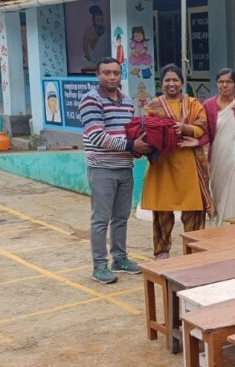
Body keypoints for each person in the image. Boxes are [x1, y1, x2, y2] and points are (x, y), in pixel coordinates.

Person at [80, 57, 150, 283]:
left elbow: (129, 132)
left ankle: (119, 259)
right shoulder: (90, 100)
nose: (112, 77)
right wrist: (132, 145)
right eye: (106, 73)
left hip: (124, 167)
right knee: (100, 219)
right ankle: (99, 266)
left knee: (121, 217)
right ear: (98, 75)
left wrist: (141, 146)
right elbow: (97, 137)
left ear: (121, 75)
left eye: (116, 73)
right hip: (101, 169)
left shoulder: (128, 101)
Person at [141, 64, 213, 260]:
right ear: (161, 83)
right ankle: (162, 251)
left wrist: (185, 128)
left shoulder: (193, 103)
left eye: (175, 80)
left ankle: (194, 252)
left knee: (194, 211)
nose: (171, 83)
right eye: (167, 80)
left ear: (182, 83)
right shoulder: (153, 105)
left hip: (188, 164)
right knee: (162, 211)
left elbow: (202, 126)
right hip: (163, 166)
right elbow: (146, 129)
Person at [190, 68, 235, 225]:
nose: (225, 85)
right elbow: (206, 133)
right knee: (221, 197)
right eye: (221, 82)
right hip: (220, 159)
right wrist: (196, 141)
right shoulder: (208, 105)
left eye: (228, 82)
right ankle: (223, 232)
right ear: (217, 84)